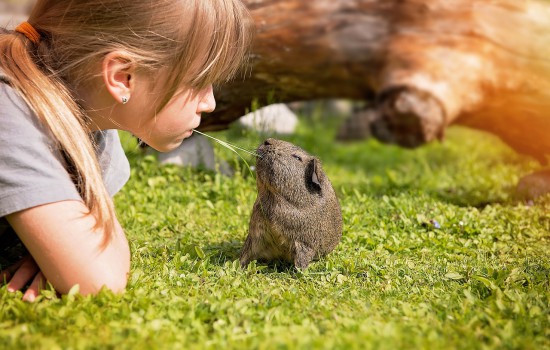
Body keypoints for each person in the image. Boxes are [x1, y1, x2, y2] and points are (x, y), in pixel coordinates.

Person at [0, 0, 252, 302]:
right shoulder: (10, 113)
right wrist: (77, 255)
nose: (209, 103)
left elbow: (92, 245)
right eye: (199, 82)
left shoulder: (94, 119)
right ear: (122, 77)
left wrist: (58, 249)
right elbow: (100, 281)